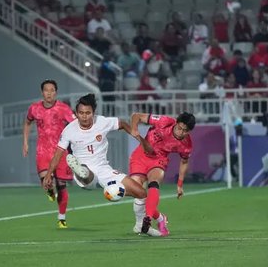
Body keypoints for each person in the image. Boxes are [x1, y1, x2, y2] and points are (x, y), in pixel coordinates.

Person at [43, 94, 161, 236]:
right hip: (85, 172)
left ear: (93, 113)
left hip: (104, 170)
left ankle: (139, 225)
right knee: (86, 174)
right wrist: (49, 174)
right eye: (81, 113)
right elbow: (58, 154)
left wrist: (137, 137)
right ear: (76, 113)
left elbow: (122, 124)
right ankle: (80, 170)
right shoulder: (69, 130)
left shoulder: (102, 122)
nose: (84, 117)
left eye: (88, 113)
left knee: (141, 193)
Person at [129, 112, 196, 236]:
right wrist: (134, 129)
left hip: (158, 160)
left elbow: (184, 161)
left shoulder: (186, 145)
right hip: (140, 156)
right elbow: (136, 116)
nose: (180, 132)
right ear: (175, 123)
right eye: (179, 128)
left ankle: (147, 219)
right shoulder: (164, 121)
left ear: (189, 132)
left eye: (185, 131)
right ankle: (160, 218)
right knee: (138, 193)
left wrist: (180, 184)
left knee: (154, 182)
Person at [22, 79, 75, 229]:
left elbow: (75, 125)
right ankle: (50, 191)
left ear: (56, 92)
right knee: (46, 182)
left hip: (60, 152)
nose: (49, 93)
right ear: (42, 92)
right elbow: (27, 122)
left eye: (52, 90)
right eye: (46, 90)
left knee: (61, 185)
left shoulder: (64, 109)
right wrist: (25, 142)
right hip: (43, 152)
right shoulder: (34, 109)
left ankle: (62, 218)